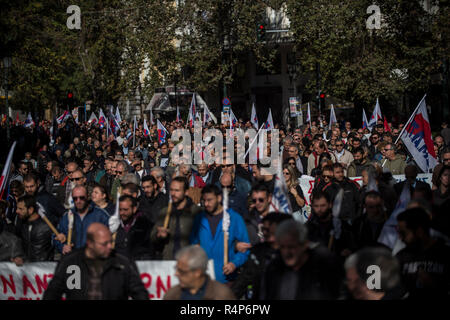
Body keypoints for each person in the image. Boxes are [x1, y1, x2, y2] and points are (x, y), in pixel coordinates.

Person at [43, 223, 148, 300]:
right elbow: (53, 292)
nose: (110, 247)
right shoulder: (71, 262)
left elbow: (139, 293)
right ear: (90, 243)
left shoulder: (122, 263)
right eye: (104, 244)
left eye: (110, 242)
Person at [259, 219, 343, 300]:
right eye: (282, 247)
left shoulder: (324, 268)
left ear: (304, 244)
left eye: (291, 247)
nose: (286, 252)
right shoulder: (274, 269)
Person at [190, 185, 250, 284]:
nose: (206, 204)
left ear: (219, 198)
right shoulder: (199, 219)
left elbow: (245, 247)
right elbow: (193, 243)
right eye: (204, 200)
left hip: (226, 280)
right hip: (204, 279)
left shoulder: (233, 218)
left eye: (209, 200)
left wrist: (234, 263)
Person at [232, 213, 293, 300]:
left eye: (269, 229)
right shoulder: (258, 252)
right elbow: (244, 279)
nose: (265, 232)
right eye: (263, 229)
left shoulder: (295, 253)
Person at [395, 208, 450, 299]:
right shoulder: (401, 257)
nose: (400, 238)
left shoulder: (445, 254)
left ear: (419, 231)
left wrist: (435, 285)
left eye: (403, 233)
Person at [150, 177, 202, 260]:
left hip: (189, 261)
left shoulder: (196, 211)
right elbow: (153, 236)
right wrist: (158, 235)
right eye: (171, 190)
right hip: (169, 261)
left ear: (186, 192)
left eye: (177, 190)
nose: (173, 193)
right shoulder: (165, 212)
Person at [164, 245, 235, 300]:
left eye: (181, 271)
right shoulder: (172, 295)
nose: (176, 274)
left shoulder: (222, 295)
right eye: (176, 269)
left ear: (197, 272)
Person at [54, 185, 110, 255]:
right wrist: (62, 247)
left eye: (82, 198)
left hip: (93, 260)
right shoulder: (67, 216)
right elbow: (55, 237)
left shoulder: (101, 215)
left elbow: (112, 237)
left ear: (87, 197)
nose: (78, 201)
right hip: (73, 260)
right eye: (75, 198)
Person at [15, 195, 54, 261]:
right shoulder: (21, 225)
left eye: (21, 209)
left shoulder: (47, 227)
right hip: (25, 268)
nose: (17, 211)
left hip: (41, 268)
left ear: (30, 210)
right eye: (17, 208)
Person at [115, 195, 153, 260]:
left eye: (125, 210)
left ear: (134, 209)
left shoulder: (144, 226)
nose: (122, 213)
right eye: (120, 209)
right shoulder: (116, 224)